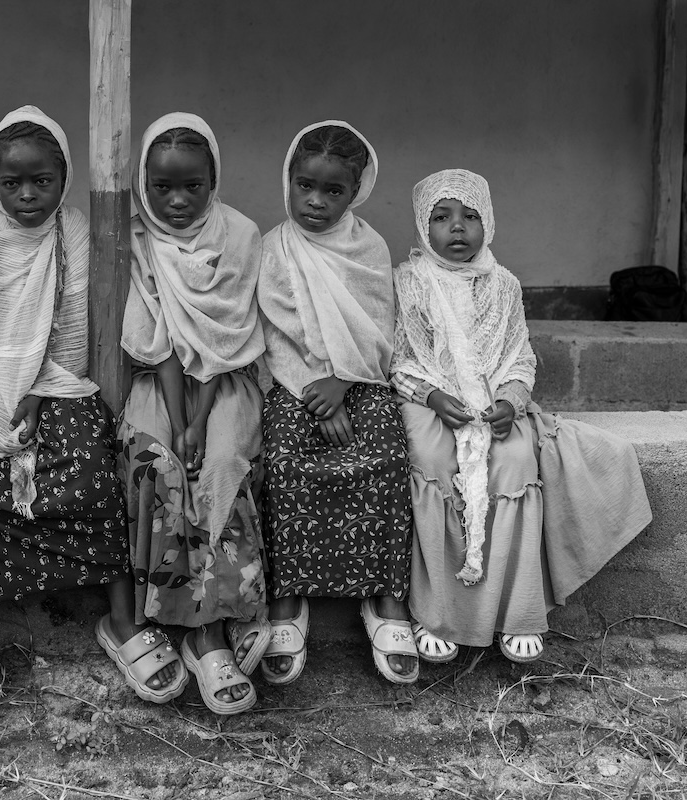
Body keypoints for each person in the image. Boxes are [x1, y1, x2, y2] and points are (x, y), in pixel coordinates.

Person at [0, 106, 187, 732]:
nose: (28, 194)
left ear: (65, 177)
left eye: (43, 180)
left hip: (60, 387)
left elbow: (72, 336)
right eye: (13, 183)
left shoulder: (76, 235)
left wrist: (39, 389)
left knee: (91, 472)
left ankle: (121, 620)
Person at [393, 169, 653, 664]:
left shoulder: (504, 284)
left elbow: (519, 355)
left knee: (514, 461)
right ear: (422, 226)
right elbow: (398, 358)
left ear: (487, 223)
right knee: (431, 457)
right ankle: (435, 612)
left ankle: (519, 612)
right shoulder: (407, 282)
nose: (457, 228)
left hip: (493, 405)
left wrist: (510, 402)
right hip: (430, 402)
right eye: (442, 217)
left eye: (470, 217)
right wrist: (431, 397)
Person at [257, 122, 418, 687]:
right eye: (305, 186)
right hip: (293, 381)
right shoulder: (273, 248)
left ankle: (384, 597)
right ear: (289, 182)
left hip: (361, 381)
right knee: (281, 461)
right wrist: (315, 389)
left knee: (388, 457)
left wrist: (344, 383)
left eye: (333, 192)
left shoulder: (369, 248)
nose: (316, 202)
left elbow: (378, 329)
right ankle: (289, 597)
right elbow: (277, 333)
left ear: (355, 193)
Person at [120, 113, 268, 715]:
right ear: (143, 185)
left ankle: (213, 627)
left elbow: (222, 340)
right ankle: (168, 617)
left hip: (227, 382)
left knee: (223, 461)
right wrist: (180, 425)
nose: (177, 201)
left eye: (193, 187)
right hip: (162, 382)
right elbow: (162, 346)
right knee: (159, 462)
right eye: (162, 187)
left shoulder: (239, 235)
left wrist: (200, 423)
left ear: (214, 182)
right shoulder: (140, 240)